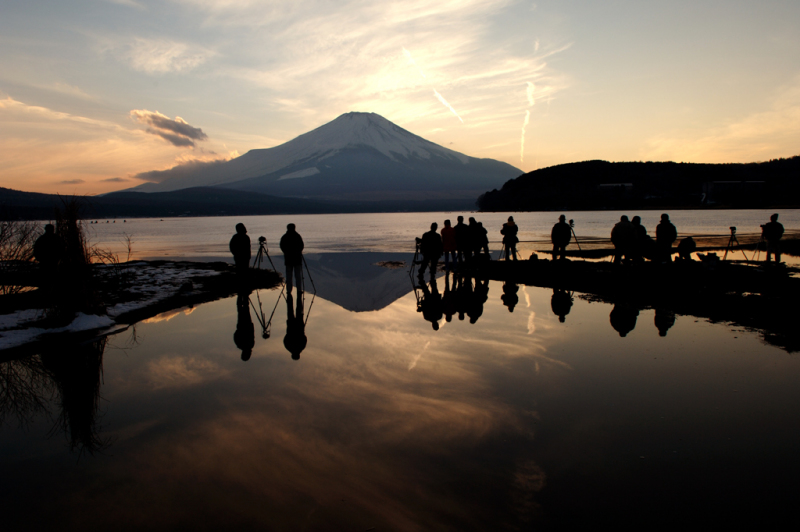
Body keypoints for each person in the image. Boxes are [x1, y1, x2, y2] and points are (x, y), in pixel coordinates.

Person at [279, 223, 304, 293]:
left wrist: (286, 252)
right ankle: (299, 290)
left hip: (288, 259)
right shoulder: (297, 236)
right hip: (297, 259)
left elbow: (282, 246)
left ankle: (289, 290)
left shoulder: (285, 237)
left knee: (289, 276)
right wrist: (298, 252)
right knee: (298, 276)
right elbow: (301, 246)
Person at [283, 293, 307, 360]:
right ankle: (289, 295)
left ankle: (299, 295)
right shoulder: (288, 347)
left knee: (299, 309)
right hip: (291, 326)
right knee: (290, 310)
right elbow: (285, 339)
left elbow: (304, 338)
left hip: (299, 327)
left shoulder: (301, 347)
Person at [234, 291, 255, 361]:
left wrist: (251, 325)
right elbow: (235, 335)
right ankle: (241, 295)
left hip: (246, 325)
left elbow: (252, 333)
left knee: (245, 308)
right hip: (243, 326)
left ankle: (244, 295)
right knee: (241, 308)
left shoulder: (250, 344)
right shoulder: (240, 345)